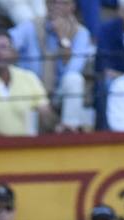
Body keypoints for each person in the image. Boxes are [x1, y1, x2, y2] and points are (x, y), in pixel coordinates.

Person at [39, 0, 94, 132]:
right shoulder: (32, 26)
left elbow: (72, 70)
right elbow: (9, 44)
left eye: (63, 3)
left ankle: (69, 128)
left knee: (74, 79)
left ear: (72, 7)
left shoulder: (81, 33)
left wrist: (63, 39)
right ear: (47, 5)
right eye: (54, 3)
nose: (58, 7)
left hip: (60, 94)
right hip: (34, 91)